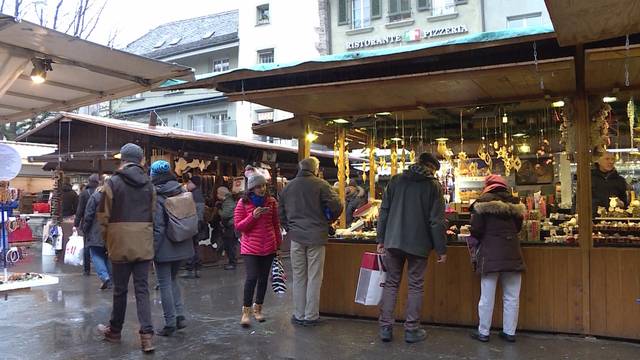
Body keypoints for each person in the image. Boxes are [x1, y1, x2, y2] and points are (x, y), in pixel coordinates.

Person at [376, 152, 447, 344]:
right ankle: (411, 329)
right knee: (415, 285)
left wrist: (381, 238)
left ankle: (385, 328)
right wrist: (441, 249)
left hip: (393, 241)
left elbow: (384, 211)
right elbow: (436, 221)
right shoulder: (433, 186)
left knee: (391, 283)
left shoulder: (396, 180)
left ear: (416, 163)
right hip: (419, 243)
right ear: (432, 168)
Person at [97, 143, 156, 353]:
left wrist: (108, 238)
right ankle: (147, 337)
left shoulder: (112, 182)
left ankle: (114, 332)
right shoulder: (149, 184)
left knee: (120, 291)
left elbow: (103, 215)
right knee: (142, 290)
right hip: (143, 242)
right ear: (141, 161)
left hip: (119, 241)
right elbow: (153, 212)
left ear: (122, 159)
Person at [279, 157, 342, 326]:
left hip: (296, 238)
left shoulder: (288, 187)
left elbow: (281, 213)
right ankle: (311, 315)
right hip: (316, 236)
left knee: (299, 277)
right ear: (315, 168)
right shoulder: (321, 185)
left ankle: (299, 314)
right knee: (314, 276)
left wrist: (290, 227)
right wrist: (327, 220)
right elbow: (337, 205)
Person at [469, 174, 526, 343]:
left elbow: (476, 230)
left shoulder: (482, 203)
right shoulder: (515, 203)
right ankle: (509, 332)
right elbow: (517, 228)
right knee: (512, 295)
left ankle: (484, 332)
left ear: (488, 186)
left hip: (490, 252)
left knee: (487, 294)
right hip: (512, 252)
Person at [150, 161, 195, 336]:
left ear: (154, 175)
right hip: (183, 243)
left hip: (165, 247)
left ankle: (170, 323)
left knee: (164, 284)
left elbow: (159, 227)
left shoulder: (157, 194)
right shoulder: (182, 190)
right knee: (173, 280)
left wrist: (151, 249)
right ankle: (180, 316)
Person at [234, 172, 281, 327]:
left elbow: (275, 224)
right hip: (250, 248)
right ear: (251, 188)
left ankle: (258, 309)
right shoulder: (243, 203)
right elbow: (239, 226)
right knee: (252, 277)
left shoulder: (271, 202)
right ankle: (246, 312)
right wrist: (253, 216)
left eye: (263, 186)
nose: (262, 189)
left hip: (269, 246)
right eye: (258, 186)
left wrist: (278, 245)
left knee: (263, 279)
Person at [82, 175, 112, 290]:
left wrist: (85, 228)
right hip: (111, 231)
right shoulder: (116, 197)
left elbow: (88, 215)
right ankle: (110, 278)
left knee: (96, 254)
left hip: (96, 230)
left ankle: (105, 277)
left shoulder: (95, 196)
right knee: (110, 255)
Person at [75, 174, 99, 275]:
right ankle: (102, 268)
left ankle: (86, 269)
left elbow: (80, 210)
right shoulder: (101, 193)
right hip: (99, 223)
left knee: (87, 245)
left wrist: (76, 223)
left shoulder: (84, 193)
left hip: (87, 222)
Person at [185, 175, 205, 278]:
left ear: (194, 183)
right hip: (198, 223)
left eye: (189, 182)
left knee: (190, 245)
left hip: (193, 223)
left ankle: (191, 268)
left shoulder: (193, 195)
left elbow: (192, 211)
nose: (187, 184)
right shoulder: (198, 194)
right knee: (195, 245)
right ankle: (196, 268)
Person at [218, 186, 238, 270]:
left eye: (218, 193)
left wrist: (218, 210)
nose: (217, 195)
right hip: (231, 226)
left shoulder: (228, 201)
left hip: (231, 226)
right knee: (229, 244)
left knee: (230, 245)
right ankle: (232, 261)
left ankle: (232, 262)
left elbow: (225, 214)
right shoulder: (227, 200)